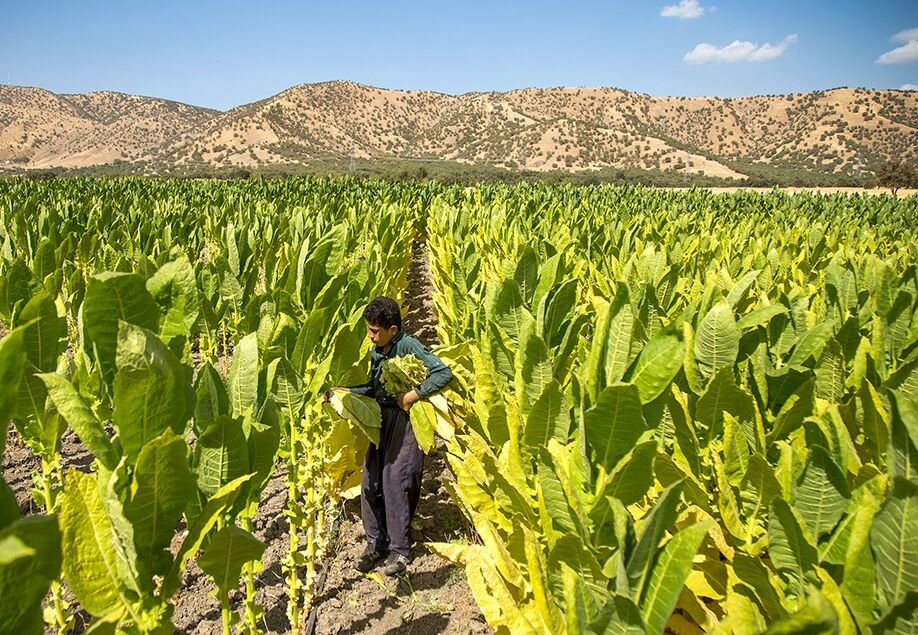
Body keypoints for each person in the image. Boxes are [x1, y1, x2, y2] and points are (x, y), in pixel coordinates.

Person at [331, 296, 453, 576]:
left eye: (375, 331)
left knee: (396, 480)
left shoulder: (408, 346)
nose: (370, 336)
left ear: (393, 330)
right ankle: (376, 542)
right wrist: (347, 393)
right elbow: (374, 388)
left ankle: (399, 550)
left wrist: (412, 394)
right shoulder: (378, 350)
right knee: (370, 480)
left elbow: (442, 372)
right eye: (369, 330)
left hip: (406, 419)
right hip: (380, 418)